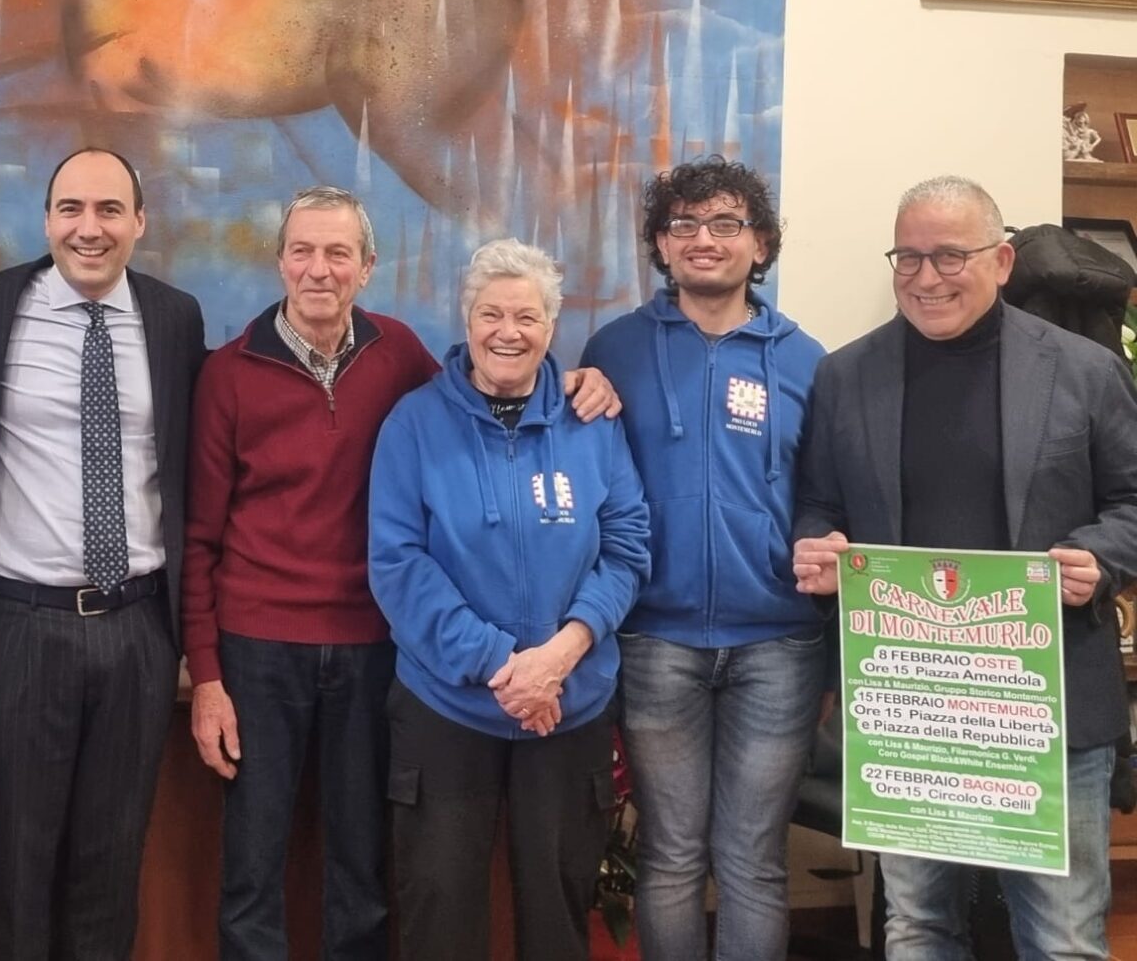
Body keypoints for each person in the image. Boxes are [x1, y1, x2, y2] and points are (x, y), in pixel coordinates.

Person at [186, 188, 624, 961]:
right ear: (280, 260)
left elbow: (491, 389)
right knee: (252, 864)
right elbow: (200, 537)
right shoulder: (230, 372)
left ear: (367, 267)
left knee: (362, 867)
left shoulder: (397, 355)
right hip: (261, 649)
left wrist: (578, 381)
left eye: (338, 253)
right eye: (302, 251)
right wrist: (208, 675)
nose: (319, 269)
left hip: (369, 649)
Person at [794, 175, 1137, 961]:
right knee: (917, 927)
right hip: (910, 711)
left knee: (1063, 938)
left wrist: (1100, 558)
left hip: (1048, 706)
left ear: (1002, 261)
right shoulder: (845, 376)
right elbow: (817, 503)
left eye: (950, 255)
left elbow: (1132, 500)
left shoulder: (1084, 370)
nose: (927, 277)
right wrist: (821, 548)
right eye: (908, 257)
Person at [0, 146, 206, 961]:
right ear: (47, 219)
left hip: (138, 629)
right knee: (16, 866)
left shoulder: (175, 318)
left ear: (140, 223)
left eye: (109, 210)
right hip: (19, 624)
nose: (90, 229)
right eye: (71, 210)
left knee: (111, 863)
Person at [369, 238, 650, 961]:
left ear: (551, 327)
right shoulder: (413, 424)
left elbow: (627, 549)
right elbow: (398, 566)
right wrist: (505, 665)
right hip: (448, 706)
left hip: (570, 705)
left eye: (526, 317)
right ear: (467, 321)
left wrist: (559, 656)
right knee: (440, 912)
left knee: (558, 915)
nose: (508, 332)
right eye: (491, 314)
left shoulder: (594, 422)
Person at [579, 157, 826, 961]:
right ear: (660, 244)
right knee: (672, 854)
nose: (703, 239)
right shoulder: (614, 350)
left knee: (752, 861)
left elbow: (827, 496)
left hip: (780, 643)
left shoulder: (807, 361)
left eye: (726, 223)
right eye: (682, 224)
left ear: (761, 244)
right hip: (656, 640)